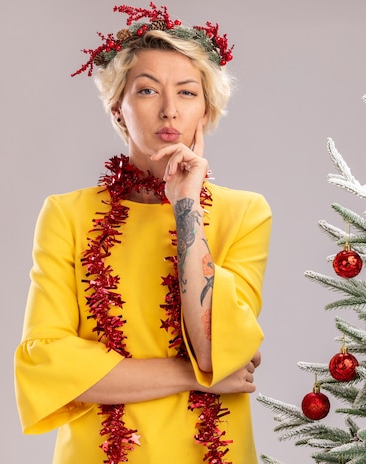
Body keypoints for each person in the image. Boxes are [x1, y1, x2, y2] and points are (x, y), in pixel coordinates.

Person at [14, 4, 272, 463]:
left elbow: (212, 349)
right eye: (148, 90)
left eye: (188, 93)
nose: (170, 109)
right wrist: (193, 376)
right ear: (119, 109)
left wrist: (187, 206)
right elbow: (46, 363)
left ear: (206, 112)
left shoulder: (244, 212)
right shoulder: (66, 215)